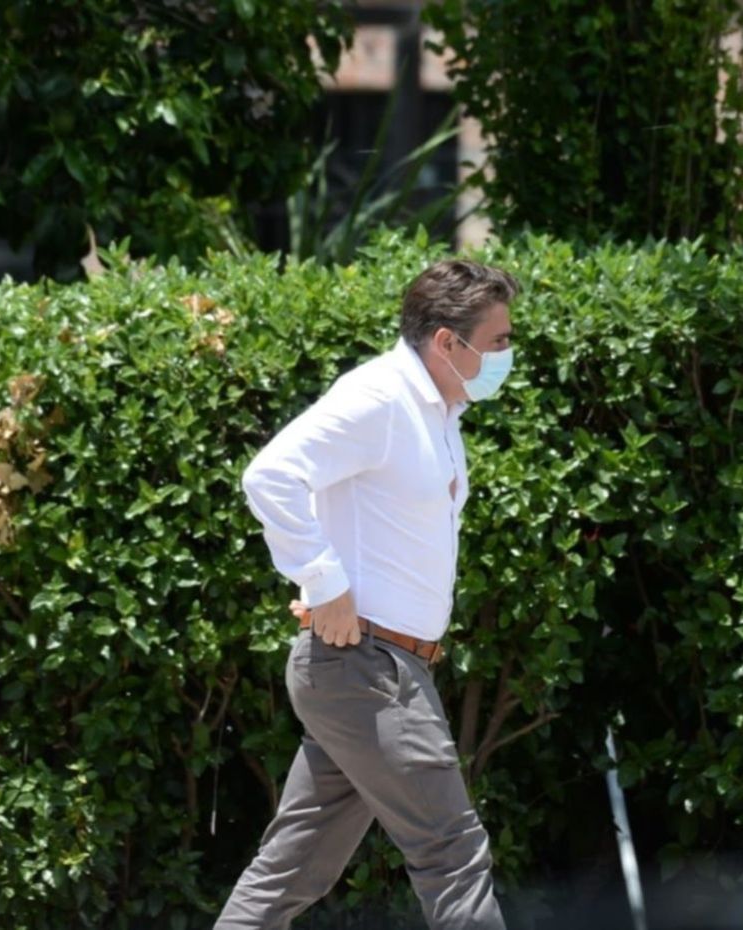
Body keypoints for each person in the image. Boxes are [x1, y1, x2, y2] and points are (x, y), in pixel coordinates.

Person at [214, 259, 520, 930]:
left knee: (292, 870)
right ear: (447, 341)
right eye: (498, 341)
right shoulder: (380, 398)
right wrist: (324, 583)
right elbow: (271, 475)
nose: (507, 355)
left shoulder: (438, 414)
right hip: (367, 668)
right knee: (453, 852)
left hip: (371, 670)